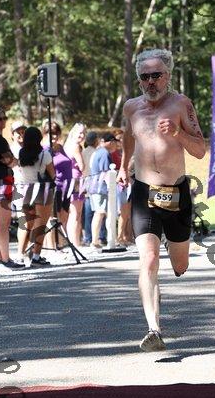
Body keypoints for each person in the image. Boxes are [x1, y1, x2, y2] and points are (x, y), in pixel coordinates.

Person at [117, 48, 205, 352]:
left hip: (176, 193)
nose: (150, 81)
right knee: (149, 259)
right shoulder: (131, 107)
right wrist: (123, 166)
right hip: (144, 192)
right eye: (145, 77)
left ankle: (175, 249)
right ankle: (153, 329)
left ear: (168, 75)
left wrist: (178, 133)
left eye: (156, 75)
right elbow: (128, 136)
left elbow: (200, 150)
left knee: (180, 265)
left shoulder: (181, 104)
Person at [0, 106, 25, 271]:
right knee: (4, 223)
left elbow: (10, 160)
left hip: (1, 182)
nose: (2, 121)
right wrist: (12, 160)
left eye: (4, 118)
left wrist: (12, 160)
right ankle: (5, 259)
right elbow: (11, 161)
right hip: (2, 182)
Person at [17, 126, 55, 266]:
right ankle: (36, 256)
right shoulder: (45, 154)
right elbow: (53, 174)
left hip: (26, 190)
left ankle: (20, 255)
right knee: (40, 224)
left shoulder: (21, 153)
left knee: (27, 225)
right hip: (42, 190)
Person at [42, 120, 73, 251]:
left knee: (63, 217)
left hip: (67, 187)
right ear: (45, 134)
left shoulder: (60, 147)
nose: (54, 136)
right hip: (55, 187)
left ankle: (61, 244)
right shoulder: (45, 150)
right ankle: (52, 247)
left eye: (56, 133)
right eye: (50, 133)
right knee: (53, 218)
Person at [89, 132, 118, 250]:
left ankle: (100, 240)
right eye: (115, 142)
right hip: (100, 188)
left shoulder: (98, 152)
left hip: (96, 187)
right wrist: (113, 185)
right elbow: (105, 172)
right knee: (100, 213)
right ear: (110, 142)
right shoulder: (104, 153)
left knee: (101, 213)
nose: (116, 145)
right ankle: (94, 241)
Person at [63, 123, 86, 247]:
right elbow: (82, 166)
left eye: (84, 133)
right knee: (76, 214)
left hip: (68, 179)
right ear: (74, 133)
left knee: (72, 213)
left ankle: (73, 241)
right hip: (76, 180)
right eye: (80, 132)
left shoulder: (66, 145)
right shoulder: (76, 146)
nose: (82, 135)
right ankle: (75, 243)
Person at [9, 120, 27, 261]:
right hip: (18, 186)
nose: (21, 134)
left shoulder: (29, 148)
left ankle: (27, 250)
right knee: (24, 219)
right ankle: (20, 252)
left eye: (23, 131)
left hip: (31, 185)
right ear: (12, 135)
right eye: (18, 132)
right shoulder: (11, 149)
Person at [82, 130, 99, 246]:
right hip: (94, 182)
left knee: (88, 213)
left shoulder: (83, 152)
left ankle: (87, 237)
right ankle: (95, 237)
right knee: (96, 211)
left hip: (85, 182)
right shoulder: (96, 152)